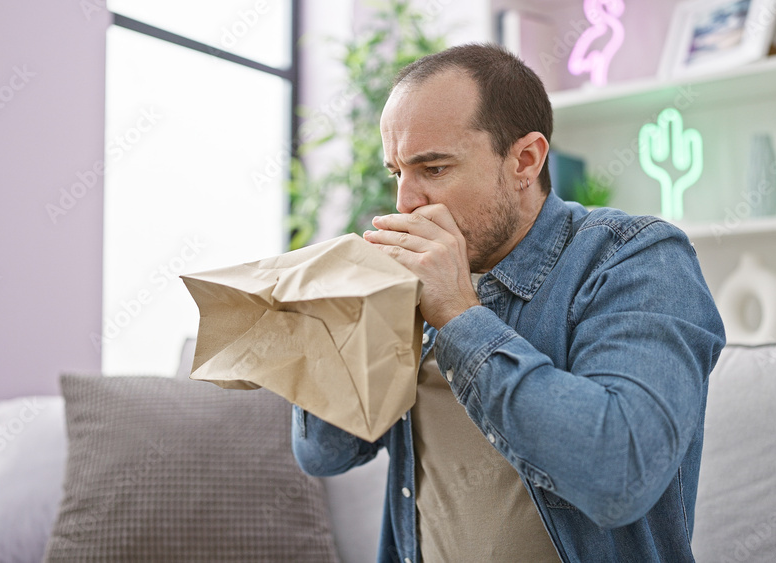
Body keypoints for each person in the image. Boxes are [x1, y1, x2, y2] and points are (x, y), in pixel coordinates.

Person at [292, 42, 725, 563]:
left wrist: (458, 315)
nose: (405, 202)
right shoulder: (410, 283)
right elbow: (323, 453)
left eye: (433, 168)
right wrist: (343, 330)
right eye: (397, 173)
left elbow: (621, 473)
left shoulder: (636, 258)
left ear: (525, 160)